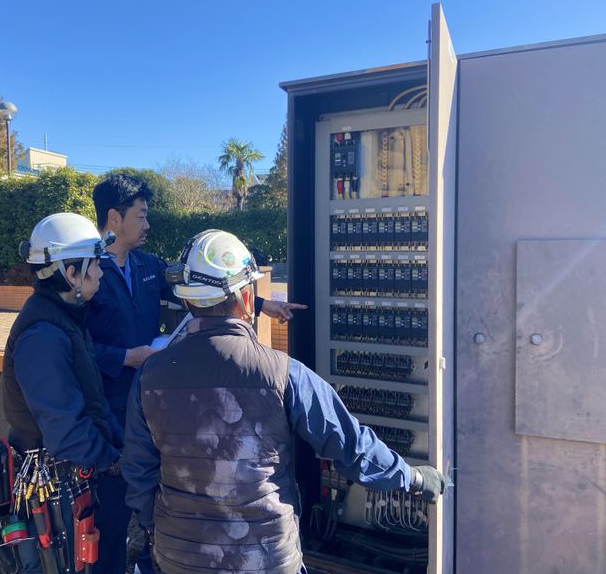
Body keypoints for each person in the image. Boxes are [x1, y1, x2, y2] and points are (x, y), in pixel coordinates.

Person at [121, 229, 446, 574]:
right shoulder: (283, 373)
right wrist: (411, 477)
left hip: (178, 557)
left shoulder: (150, 375)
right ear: (247, 297)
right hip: (265, 559)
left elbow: (138, 470)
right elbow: (350, 447)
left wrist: (159, 531)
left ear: (187, 302)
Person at [86, 174, 307, 574]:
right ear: (114, 218)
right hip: (114, 408)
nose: (148, 224)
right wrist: (124, 357)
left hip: (158, 405)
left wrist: (259, 304)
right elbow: (77, 348)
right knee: (113, 518)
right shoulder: (89, 273)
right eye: (141, 215)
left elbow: (204, 290)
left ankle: (150, 541)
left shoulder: (148, 265)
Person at [2, 212, 124, 574]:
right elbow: (65, 430)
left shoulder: (65, 317)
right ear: (71, 273)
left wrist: (120, 447)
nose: (101, 273)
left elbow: (93, 402)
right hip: (61, 493)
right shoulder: (43, 335)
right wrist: (115, 462)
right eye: (95, 265)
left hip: (76, 482)